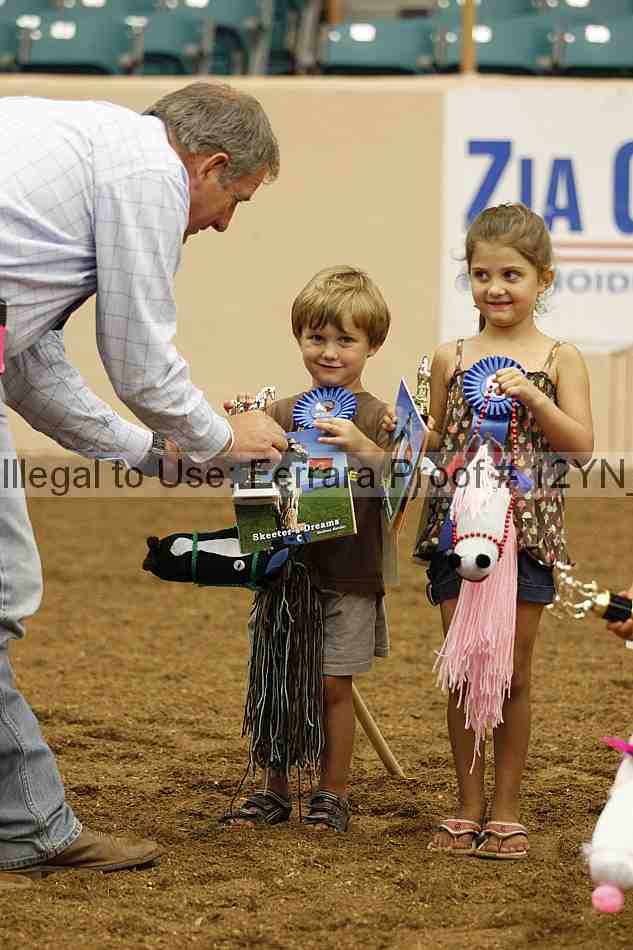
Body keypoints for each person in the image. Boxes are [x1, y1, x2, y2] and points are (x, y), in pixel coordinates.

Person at [0, 82, 287, 877]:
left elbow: (26, 363)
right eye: (236, 199)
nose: (223, 224)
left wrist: (153, 455)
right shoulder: (148, 171)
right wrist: (223, 439)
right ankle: (28, 826)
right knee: (2, 590)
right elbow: (139, 359)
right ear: (211, 166)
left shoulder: (78, 148)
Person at [414, 203, 594, 859]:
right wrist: (408, 436)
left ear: (543, 279)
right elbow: (435, 443)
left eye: (511, 275)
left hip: (528, 533)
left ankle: (507, 808)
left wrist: (534, 397)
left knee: (513, 673)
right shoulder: (449, 357)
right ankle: (467, 806)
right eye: (482, 274)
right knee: (465, 668)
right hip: (457, 530)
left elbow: (580, 450)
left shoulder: (561, 359)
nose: (495, 288)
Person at [221, 265, 392, 832]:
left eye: (346, 340)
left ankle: (332, 793)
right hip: (285, 573)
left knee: (331, 685)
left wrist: (364, 445)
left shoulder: (380, 417)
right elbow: (249, 480)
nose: (329, 351)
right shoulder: (277, 410)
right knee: (278, 680)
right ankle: (273, 790)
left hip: (349, 573)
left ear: (372, 344)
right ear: (298, 337)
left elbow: (402, 483)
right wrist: (239, 430)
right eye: (316, 337)